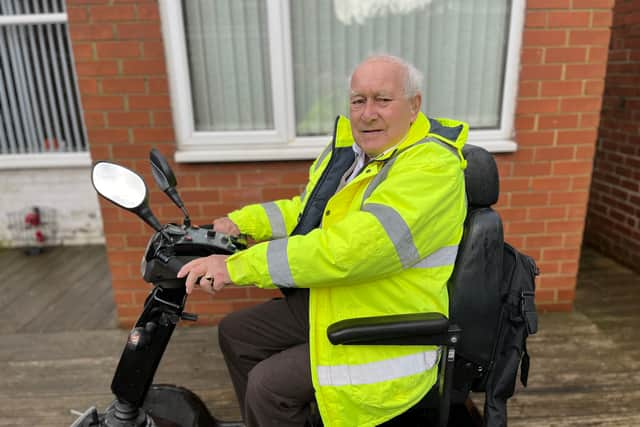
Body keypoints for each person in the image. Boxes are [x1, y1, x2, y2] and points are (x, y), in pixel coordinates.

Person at [177, 54, 469, 427]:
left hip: (389, 322)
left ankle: (275, 412)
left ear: (414, 106)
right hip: (346, 297)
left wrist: (237, 267)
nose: (367, 113)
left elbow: (351, 250)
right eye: (358, 100)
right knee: (237, 333)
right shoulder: (354, 155)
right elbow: (309, 212)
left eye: (382, 99)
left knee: (268, 385)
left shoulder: (429, 167)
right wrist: (240, 224)